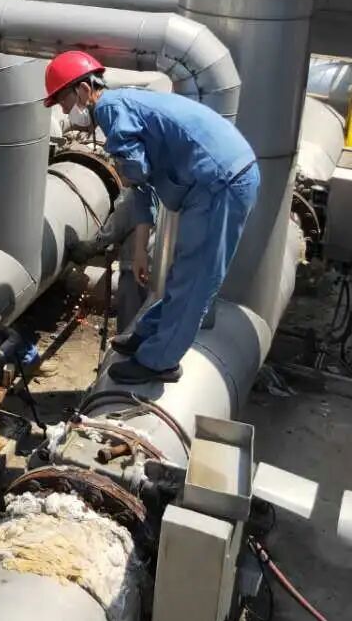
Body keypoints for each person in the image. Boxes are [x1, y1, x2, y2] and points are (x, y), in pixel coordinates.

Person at [44, 50, 260, 384]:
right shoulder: (121, 105)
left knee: (196, 277)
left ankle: (160, 362)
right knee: (182, 270)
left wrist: (123, 168)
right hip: (213, 179)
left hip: (221, 182)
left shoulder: (110, 109)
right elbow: (142, 187)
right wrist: (140, 250)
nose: (62, 110)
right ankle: (149, 333)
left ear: (84, 90)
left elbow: (136, 172)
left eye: (63, 99)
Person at [68, 185, 153, 335]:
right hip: (158, 268)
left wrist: (91, 247)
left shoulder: (136, 194)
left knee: (129, 327)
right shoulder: (162, 189)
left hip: (135, 271)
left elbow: (115, 228)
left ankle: (126, 347)